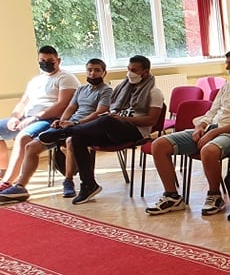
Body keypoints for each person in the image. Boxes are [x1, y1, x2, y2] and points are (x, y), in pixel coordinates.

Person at [146, 48, 230, 216]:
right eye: (227, 63)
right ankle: (172, 197)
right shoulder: (227, 86)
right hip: (212, 129)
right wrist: (201, 126)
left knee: (208, 150)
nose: (227, 67)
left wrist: (213, 133)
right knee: (159, 144)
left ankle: (215, 195)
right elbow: (212, 111)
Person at [37, 55, 164, 204]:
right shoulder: (125, 88)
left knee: (106, 120)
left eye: (134, 70)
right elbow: (112, 110)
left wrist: (121, 119)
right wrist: (114, 116)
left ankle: (66, 131)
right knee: (78, 139)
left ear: (145, 72)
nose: (130, 73)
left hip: (135, 131)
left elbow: (151, 120)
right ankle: (88, 185)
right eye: (129, 69)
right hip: (115, 128)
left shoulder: (154, 92)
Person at [0, 58, 111, 202]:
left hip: (86, 125)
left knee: (71, 140)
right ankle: (20, 187)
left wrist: (76, 123)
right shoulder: (81, 89)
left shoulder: (106, 90)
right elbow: (71, 107)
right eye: (89, 70)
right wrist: (61, 121)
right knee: (31, 147)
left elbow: (100, 112)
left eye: (97, 70)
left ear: (104, 73)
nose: (93, 73)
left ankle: (68, 181)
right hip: (69, 124)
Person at [0, 46, 80, 187]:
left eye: (50, 60)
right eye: (42, 60)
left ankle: (7, 182)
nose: (45, 63)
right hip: (27, 118)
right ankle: (4, 171)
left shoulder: (66, 78)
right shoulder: (35, 81)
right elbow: (23, 102)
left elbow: (62, 105)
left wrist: (35, 118)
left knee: (23, 137)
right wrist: (15, 117)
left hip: (49, 120)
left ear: (58, 61)